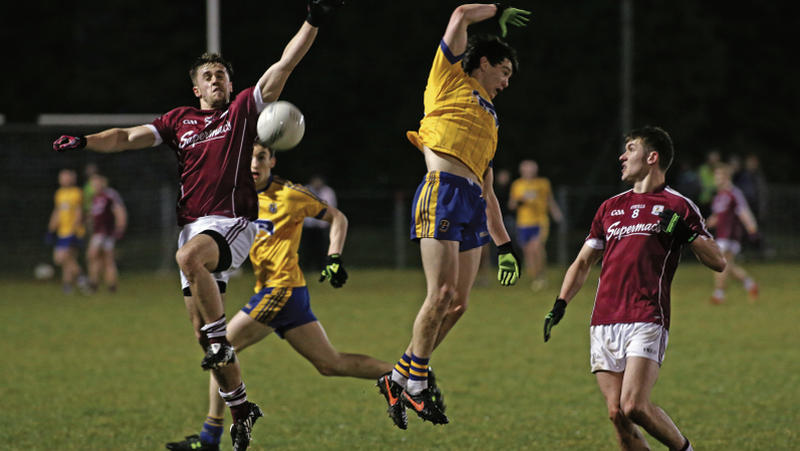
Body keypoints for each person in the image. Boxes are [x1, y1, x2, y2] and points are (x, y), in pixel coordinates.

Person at [51, 2, 343, 449]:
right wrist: (85, 142)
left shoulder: (245, 109)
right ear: (196, 88)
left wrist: (314, 20)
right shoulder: (178, 121)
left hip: (231, 223)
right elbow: (127, 137)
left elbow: (285, 64)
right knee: (205, 340)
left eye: (222, 74)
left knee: (191, 268)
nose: (217, 79)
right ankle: (241, 406)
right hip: (194, 227)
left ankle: (223, 363)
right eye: (208, 76)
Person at [166, 142, 392, 451]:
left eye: (261, 157)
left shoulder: (291, 194)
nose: (254, 164)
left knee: (221, 347)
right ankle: (402, 376)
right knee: (329, 363)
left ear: (273, 160)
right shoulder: (236, 198)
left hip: (282, 290)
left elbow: (338, 218)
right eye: (247, 158)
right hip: (283, 294)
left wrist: (334, 257)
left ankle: (209, 438)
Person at [376, 3, 530, 429]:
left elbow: (488, 189)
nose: (506, 83)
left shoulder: (491, 119)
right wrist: (496, 9)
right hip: (441, 192)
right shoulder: (448, 79)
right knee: (440, 293)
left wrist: (504, 245)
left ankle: (400, 376)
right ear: (484, 64)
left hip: (471, 205)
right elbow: (461, 13)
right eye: (504, 73)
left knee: (458, 303)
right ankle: (416, 383)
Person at [542, 126, 726, 451]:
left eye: (630, 149)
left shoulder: (678, 205)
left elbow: (718, 261)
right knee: (617, 415)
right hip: (603, 320)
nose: (622, 157)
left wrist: (685, 233)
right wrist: (560, 303)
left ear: (652, 157)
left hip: (646, 316)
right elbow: (583, 262)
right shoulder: (610, 208)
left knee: (634, 406)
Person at [707, 163, 759, 304]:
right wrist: (703, 225)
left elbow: (743, 211)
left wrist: (751, 228)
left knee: (720, 263)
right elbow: (717, 217)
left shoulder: (734, 193)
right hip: (721, 235)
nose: (716, 180)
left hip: (731, 235)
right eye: (716, 177)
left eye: (719, 177)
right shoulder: (719, 196)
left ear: (726, 177)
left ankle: (719, 294)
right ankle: (750, 284)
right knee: (728, 266)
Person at [508, 159, 563, 291]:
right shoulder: (517, 185)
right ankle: (535, 277)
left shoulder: (543, 183)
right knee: (528, 252)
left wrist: (557, 214)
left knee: (537, 248)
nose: (529, 171)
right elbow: (511, 205)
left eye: (531, 169)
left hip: (540, 221)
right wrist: (520, 200)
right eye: (526, 169)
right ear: (522, 171)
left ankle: (541, 276)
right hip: (523, 223)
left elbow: (550, 201)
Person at [46, 168, 86, 293]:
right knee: (68, 259)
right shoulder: (59, 193)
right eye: (62, 177)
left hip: (73, 231)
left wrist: (74, 229)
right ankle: (68, 286)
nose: (64, 179)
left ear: (71, 178)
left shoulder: (76, 193)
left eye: (66, 177)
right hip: (62, 231)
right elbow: (57, 212)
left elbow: (79, 212)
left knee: (60, 258)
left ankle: (81, 278)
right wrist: (51, 229)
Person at [86, 173, 127, 293]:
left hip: (106, 232)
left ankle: (104, 285)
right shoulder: (94, 197)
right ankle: (99, 284)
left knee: (97, 256)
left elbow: (119, 210)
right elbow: (93, 215)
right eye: (93, 184)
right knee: (98, 258)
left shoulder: (109, 195)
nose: (95, 185)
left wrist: (120, 227)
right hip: (97, 232)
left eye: (97, 182)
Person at [301, 174, 337, 270]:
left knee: (322, 248)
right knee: (307, 248)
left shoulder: (328, 192)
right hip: (308, 226)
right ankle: (306, 267)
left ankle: (321, 267)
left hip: (322, 226)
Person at [696, 148, 721, 216]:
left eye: (715, 160)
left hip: (718, 202)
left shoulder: (721, 169)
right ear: (708, 160)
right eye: (711, 159)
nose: (713, 162)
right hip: (704, 201)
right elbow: (699, 184)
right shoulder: (702, 169)